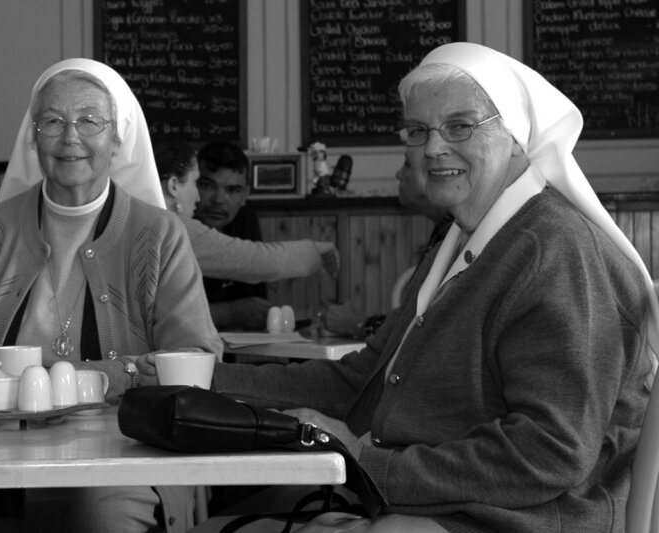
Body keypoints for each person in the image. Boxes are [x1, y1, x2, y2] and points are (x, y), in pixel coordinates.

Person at [155, 42, 659, 532]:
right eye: (418, 130)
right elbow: (362, 380)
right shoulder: (465, 239)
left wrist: (368, 463)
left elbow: (549, 452)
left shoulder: (554, 250)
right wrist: (198, 378)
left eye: (460, 126)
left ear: (515, 135)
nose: (434, 148)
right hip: (434, 505)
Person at [0, 58, 221, 533]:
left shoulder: (159, 236)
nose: (71, 137)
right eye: (52, 121)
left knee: (100, 515)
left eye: (90, 120)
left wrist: (116, 374)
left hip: (122, 455)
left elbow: (198, 361)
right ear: (33, 137)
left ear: (118, 138)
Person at [155, 142, 339, 284]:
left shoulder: (149, 218)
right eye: (199, 184)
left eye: (233, 190)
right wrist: (315, 250)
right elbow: (258, 261)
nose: (198, 197)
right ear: (173, 186)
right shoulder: (171, 229)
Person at [322, 153, 451, 338]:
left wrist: (356, 324)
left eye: (407, 164)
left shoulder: (456, 233)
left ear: (436, 175)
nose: (397, 174)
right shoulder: (445, 229)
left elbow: (420, 328)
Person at [193, 140, 271, 330]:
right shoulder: (173, 224)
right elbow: (158, 315)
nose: (218, 200)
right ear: (191, 186)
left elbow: (255, 304)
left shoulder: (245, 220)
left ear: (245, 194)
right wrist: (229, 313)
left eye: (233, 190)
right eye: (207, 185)